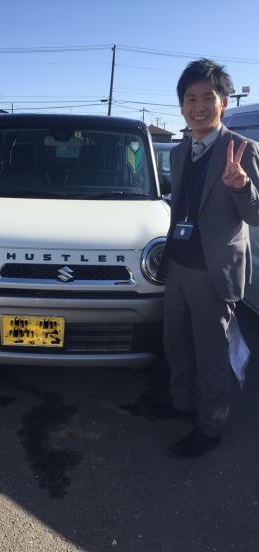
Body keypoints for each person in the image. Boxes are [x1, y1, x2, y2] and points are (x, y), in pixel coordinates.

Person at [158, 59, 259, 457]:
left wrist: (242, 186)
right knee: (175, 343)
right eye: (190, 99)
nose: (198, 107)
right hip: (179, 265)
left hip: (213, 271)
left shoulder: (242, 149)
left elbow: (255, 214)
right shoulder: (180, 151)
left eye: (207, 98)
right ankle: (182, 403)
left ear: (223, 102)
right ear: (182, 105)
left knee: (211, 352)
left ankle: (210, 426)